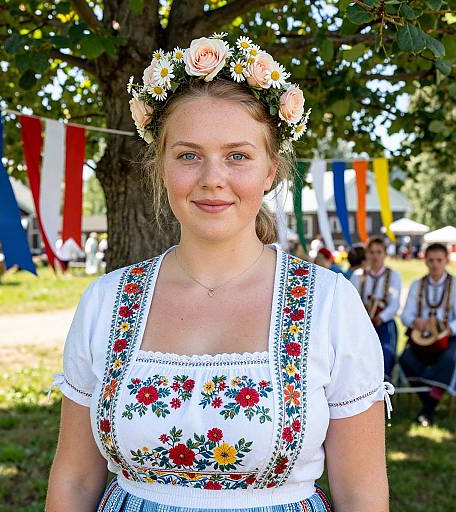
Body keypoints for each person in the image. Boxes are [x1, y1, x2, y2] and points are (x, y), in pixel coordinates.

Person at [47, 35, 391, 512]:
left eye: (238, 155)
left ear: (271, 169)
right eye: (188, 155)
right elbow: (74, 480)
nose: (212, 178)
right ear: (161, 167)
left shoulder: (329, 303)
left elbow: (361, 494)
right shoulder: (108, 300)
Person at [399, 243, 456, 426]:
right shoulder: (418, 284)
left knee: (448, 359)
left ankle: (428, 408)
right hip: (421, 337)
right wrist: (416, 322)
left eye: (439, 260)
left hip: (446, 337)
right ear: (425, 261)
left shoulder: (454, 284)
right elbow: (406, 314)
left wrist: (448, 329)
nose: (435, 264)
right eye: (431, 260)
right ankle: (430, 400)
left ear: (446, 260)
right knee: (405, 359)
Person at [350, 238, 401, 381]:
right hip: (361, 324)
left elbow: (394, 305)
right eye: (371, 252)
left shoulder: (393, 276)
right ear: (366, 254)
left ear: (385, 254)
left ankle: (383, 386)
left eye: (379, 252)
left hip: (383, 324)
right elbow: (351, 302)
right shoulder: (358, 275)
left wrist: (381, 317)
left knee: (385, 352)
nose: (375, 256)